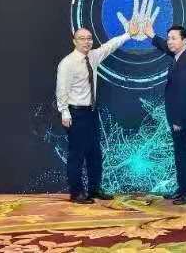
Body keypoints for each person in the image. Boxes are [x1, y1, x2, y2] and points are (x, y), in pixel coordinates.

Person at [56, 22, 139, 204]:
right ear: (74, 41)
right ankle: (76, 193)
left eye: (89, 39)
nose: (86, 42)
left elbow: (109, 46)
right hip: (75, 113)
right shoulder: (67, 63)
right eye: (82, 39)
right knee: (77, 154)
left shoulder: (93, 56)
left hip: (91, 112)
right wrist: (64, 112)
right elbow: (61, 90)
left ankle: (94, 189)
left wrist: (128, 35)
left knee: (94, 153)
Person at [145, 21, 186, 205]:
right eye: (168, 38)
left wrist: (178, 120)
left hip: (182, 118)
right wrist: (152, 36)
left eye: (173, 38)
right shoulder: (180, 54)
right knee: (180, 154)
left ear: (184, 40)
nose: (169, 41)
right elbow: (166, 47)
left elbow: (184, 93)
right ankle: (183, 189)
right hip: (177, 117)